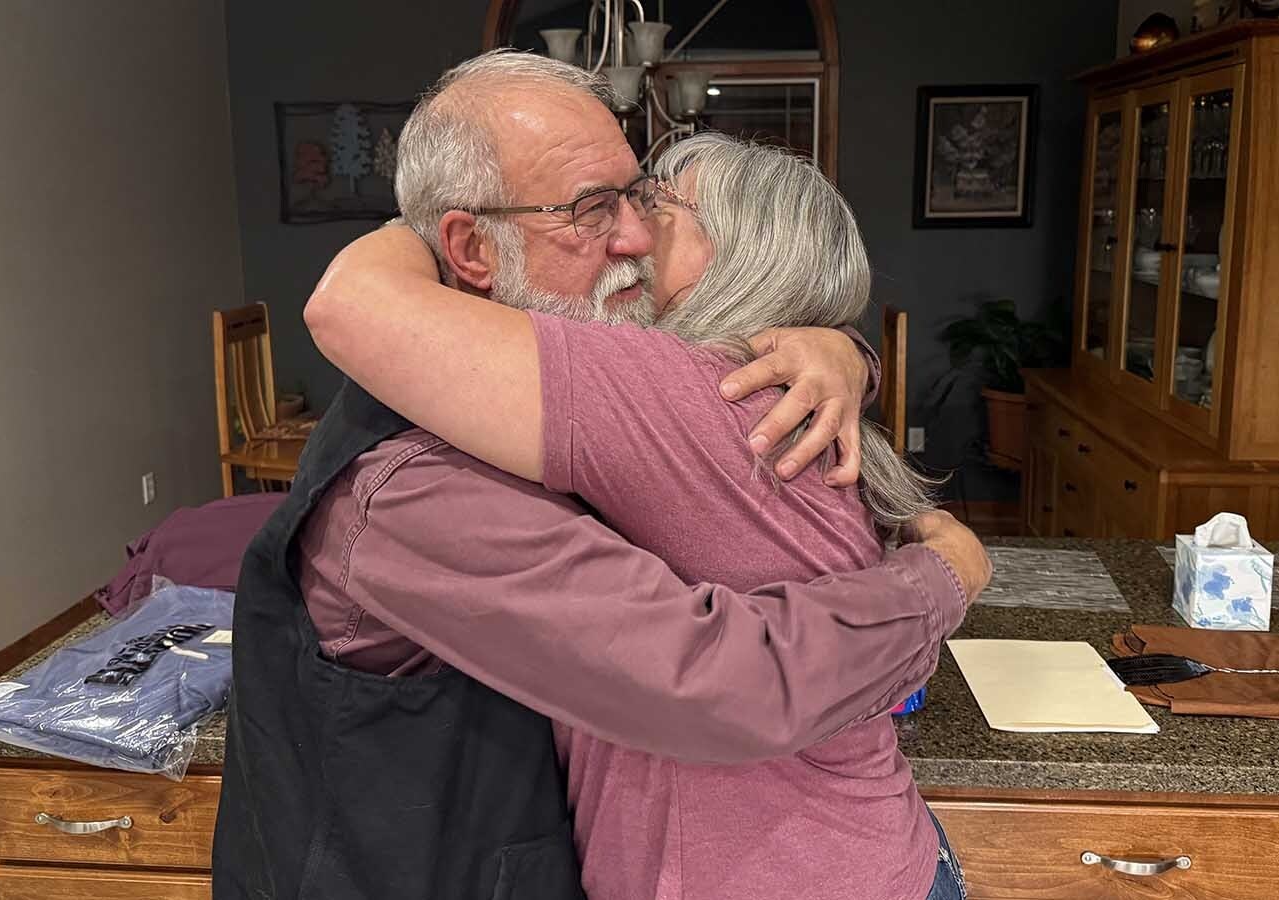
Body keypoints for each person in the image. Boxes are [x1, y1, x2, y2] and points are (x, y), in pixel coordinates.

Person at [212, 50, 990, 900]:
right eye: (590, 209)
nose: (633, 237)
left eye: (639, 199)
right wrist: (942, 573)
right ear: (468, 247)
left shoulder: (694, 385)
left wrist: (839, 348)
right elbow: (722, 680)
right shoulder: (413, 487)